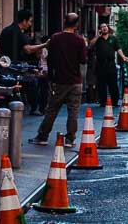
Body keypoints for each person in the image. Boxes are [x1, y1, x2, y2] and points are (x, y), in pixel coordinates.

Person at [30, 12, 88, 149]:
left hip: (60, 80)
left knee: (52, 109)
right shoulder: (80, 40)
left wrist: (51, 78)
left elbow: (50, 60)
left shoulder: (55, 38)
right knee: (73, 111)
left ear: (64, 21)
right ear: (77, 24)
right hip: (75, 81)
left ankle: (43, 136)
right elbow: (83, 60)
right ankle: (70, 139)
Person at [89, 23, 128, 107]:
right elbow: (90, 45)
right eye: (102, 27)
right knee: (101, 84)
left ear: (108, 28)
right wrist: (97, 36)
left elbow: (118, 49)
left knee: (113, 83)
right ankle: (102, 101)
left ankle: (115, 101)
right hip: (100, 64)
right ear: (100, 29)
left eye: (105, 26)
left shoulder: (113, 38)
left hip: (110, 63)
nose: (104, 28)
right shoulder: (97, 39)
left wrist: (123, 57)